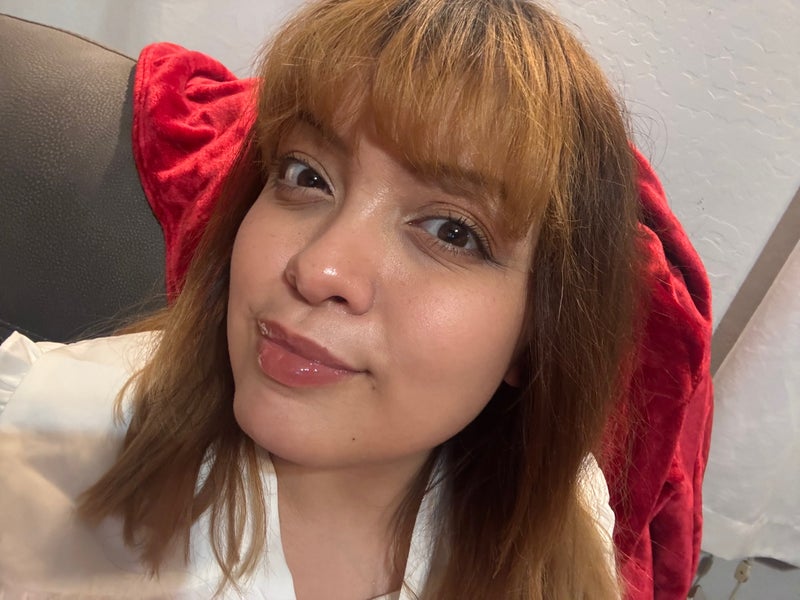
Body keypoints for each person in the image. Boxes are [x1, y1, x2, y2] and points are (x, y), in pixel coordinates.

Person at [0, 0, 644, 598]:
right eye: (306, 175)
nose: (318, 268)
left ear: (538, 333)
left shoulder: (564, 515)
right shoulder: (41, 432)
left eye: (452, 231)